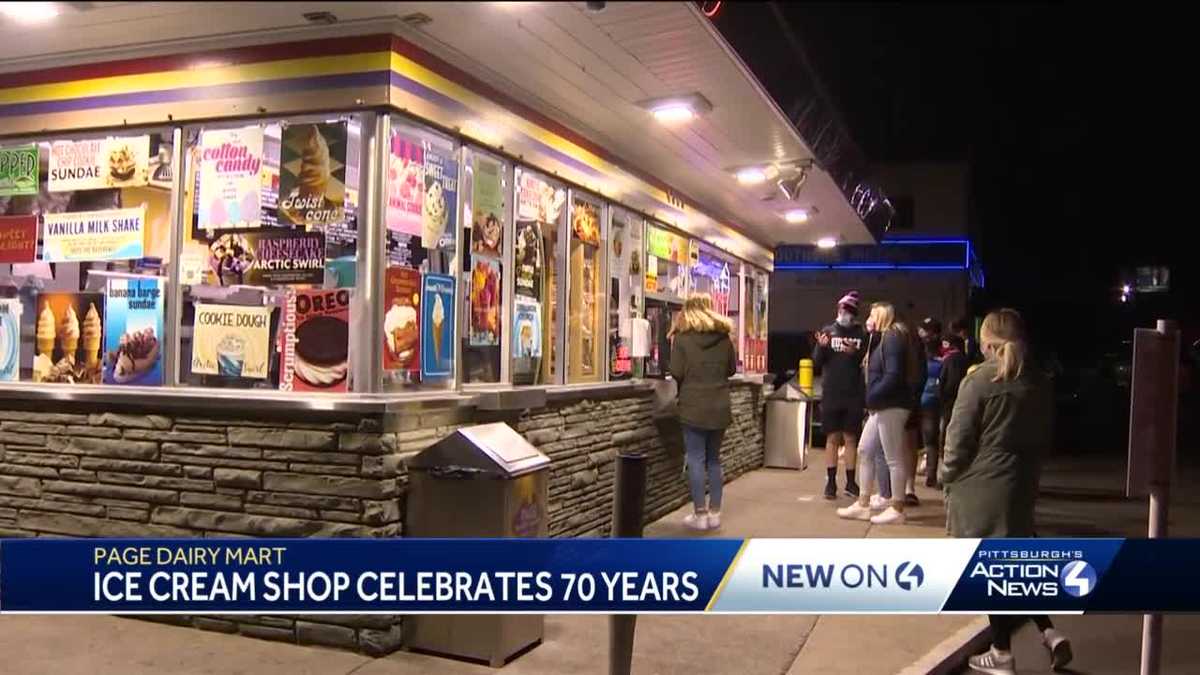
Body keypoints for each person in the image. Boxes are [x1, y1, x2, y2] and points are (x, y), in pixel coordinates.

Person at [943, 309, 1073, 674]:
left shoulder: (980, 381)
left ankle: (1001, 652)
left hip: (981, 488)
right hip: (1020, 485)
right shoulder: (1039, 382)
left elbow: (958, 438)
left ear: (987, 341)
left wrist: (946, 475)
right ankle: (1050, 632)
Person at [836, 301, 913, 525]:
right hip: (882, 405)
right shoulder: (883, 339)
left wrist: (871, 396)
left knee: (893, 458)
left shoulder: (892, 338)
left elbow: (893, 374)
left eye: (872, 314)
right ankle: (863, 504)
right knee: (865, 449)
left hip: (891, 405)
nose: (869, 318)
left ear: (882, 315)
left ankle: (897, 508)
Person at [669, 292, 737, 531]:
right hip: (719, 405)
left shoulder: (682, 338)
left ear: (689, 309)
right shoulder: (724, 338)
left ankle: (700, 514)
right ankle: (715, 513)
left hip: (693, 406)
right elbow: (731, 370)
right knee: (714, 460)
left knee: (696, 460)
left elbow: (675, 371)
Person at [813, 291, 867, 500]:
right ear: (838, 309)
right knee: (833, 438)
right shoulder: (828, 331)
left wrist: (857, 354)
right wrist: (821, 346)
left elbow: (866, 360)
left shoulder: (861, 333)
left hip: (853, 393)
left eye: (850, 311)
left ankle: (851, 482)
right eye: (843, 309)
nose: (845, 313)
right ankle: (831, 482)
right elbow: (817, 362)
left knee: (851, 438)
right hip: (832, 393)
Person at [933, 334, 969, 486]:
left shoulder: (950, 360)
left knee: (946, 439)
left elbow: (947, 383)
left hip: (949, 405)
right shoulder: (968, 360)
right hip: (965, 404)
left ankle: (944, 477)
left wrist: (941, 398)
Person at [916, 318, 943, 483]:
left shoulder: (928, 351)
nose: (923, 333)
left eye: (926, 331)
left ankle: (930, 473)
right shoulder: (943, 353)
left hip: (927, 400)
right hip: (928, 399)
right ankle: (930, 473)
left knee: (928, 438)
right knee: (929, 438)